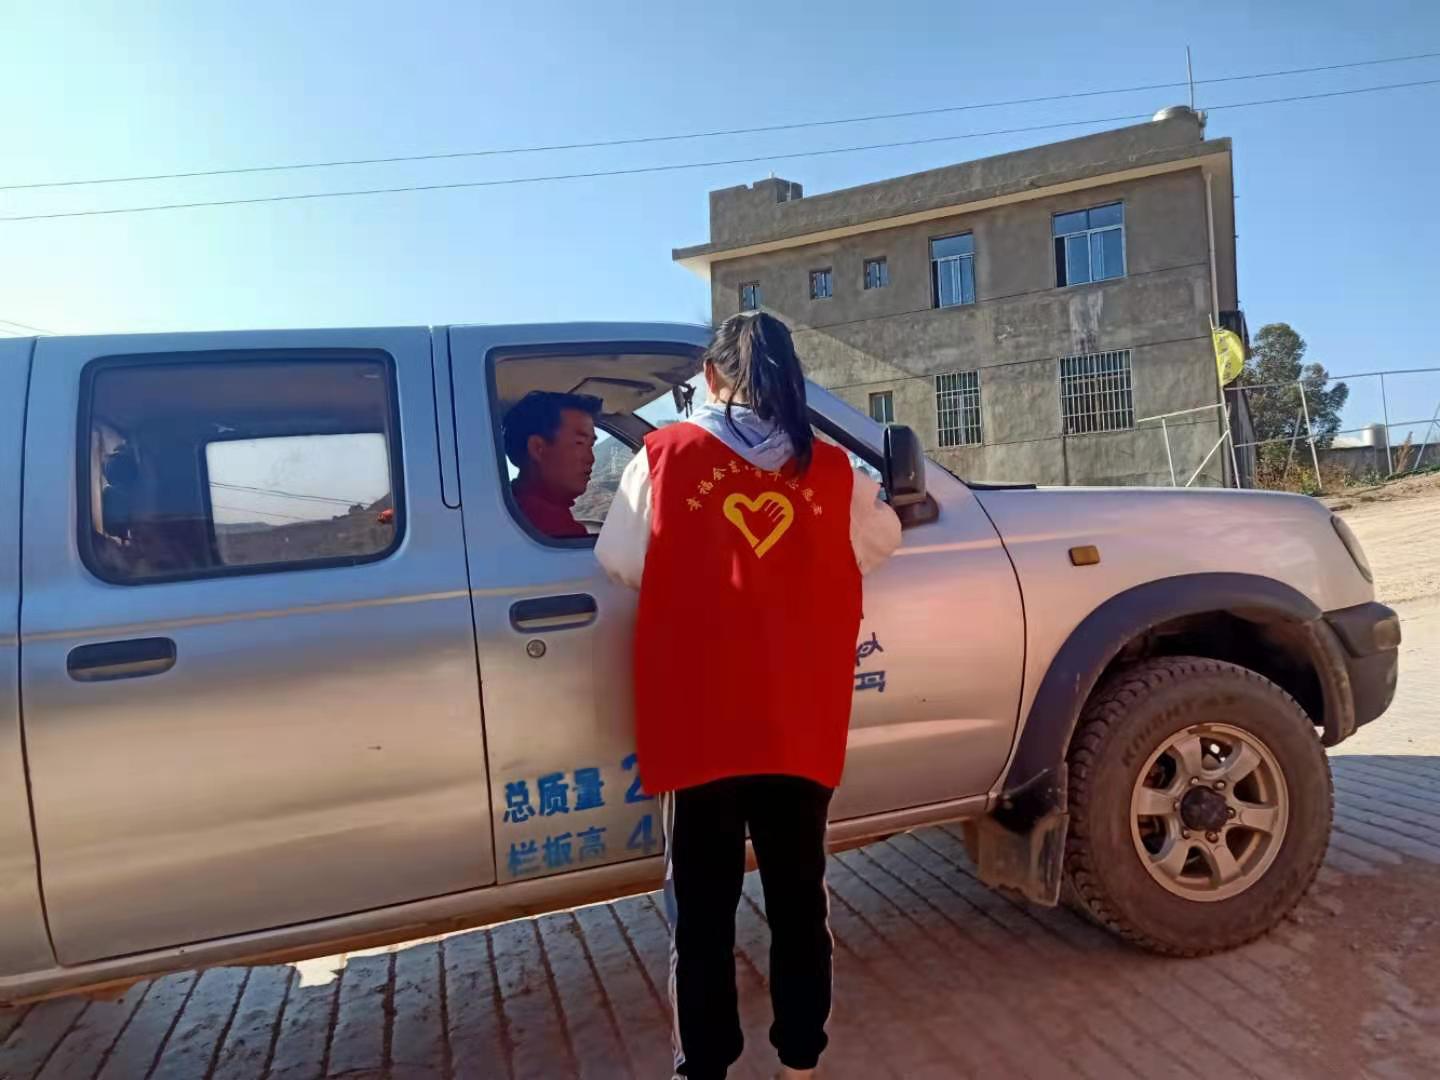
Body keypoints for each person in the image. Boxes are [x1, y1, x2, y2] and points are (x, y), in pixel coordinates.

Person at [596, 313, 901, 1079]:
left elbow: (621, 561)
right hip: (796, 720)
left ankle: (704, 1068)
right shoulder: (835, 472)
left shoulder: (662, 458)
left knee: (701, 913)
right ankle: (800, 1061)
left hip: (697, 722)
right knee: (800, 901)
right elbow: (881, 543)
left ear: (711, 376)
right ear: (791, 377)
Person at [502, 390, 601, 539]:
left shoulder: (511, 511)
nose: (591, 459)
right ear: (537, 448)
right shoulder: (552, 529)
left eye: (590, 445)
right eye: (579, 443)